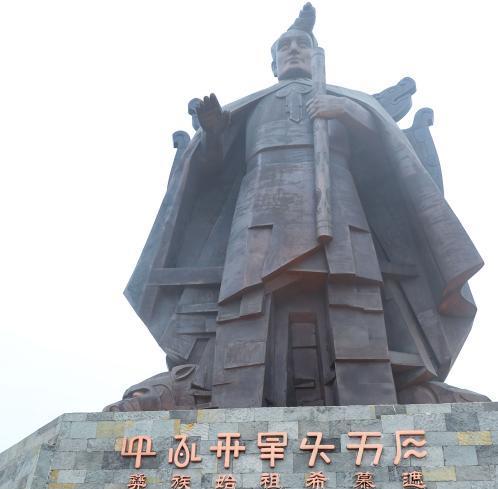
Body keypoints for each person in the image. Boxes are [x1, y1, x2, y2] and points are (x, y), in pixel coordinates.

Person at [113, 2, 486, 411]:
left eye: (302, 45)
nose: (293, 50)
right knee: (246, 299)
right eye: (284, 46)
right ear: (273, 64)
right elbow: (208, 169)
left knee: (352, 292)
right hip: (257, 210)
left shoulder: (349, 100)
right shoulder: (250, 106)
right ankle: (231, 402)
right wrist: (215, 135)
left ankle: (372, 404)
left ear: (316, 56)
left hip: (339, 210)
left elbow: (388, 152)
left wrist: (349, 113)